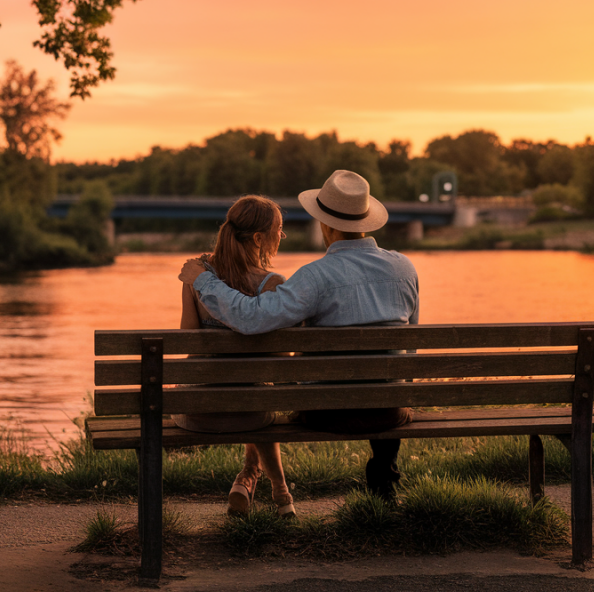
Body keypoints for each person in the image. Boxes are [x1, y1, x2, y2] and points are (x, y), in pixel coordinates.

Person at [179, 170, 419, 501]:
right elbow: (411, 346)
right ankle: (383, 477)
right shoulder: (405, 268)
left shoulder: (313, 278)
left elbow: (251, 318)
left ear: (326, 225)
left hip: (327, 414)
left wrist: (203, 281)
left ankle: (256, 475)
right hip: (390, 412)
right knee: (388, 378)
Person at [173, 195, 296, 518]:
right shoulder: (272, 284)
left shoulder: (197, 278)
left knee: (250, 391)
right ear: (258, 239)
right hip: (251, 414)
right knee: (256, 393)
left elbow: (189, 340)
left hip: (196, 412)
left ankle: (250, 478)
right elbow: (281, 358)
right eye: (278, 231)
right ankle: (280, 492)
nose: (281, 237)